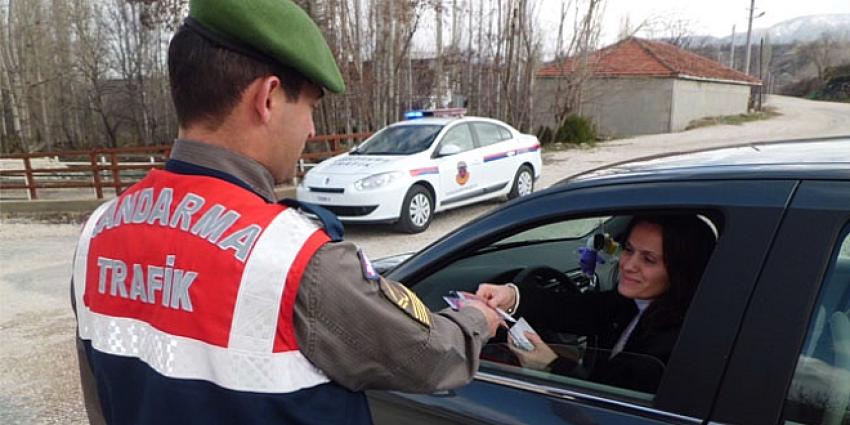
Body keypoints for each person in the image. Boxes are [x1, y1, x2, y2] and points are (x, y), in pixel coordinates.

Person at [70, 1, 502, 424]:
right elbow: (430, 359)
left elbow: (99, 396)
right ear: (269, 98)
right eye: (311, 106)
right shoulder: (295, 260)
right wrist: (478, 319)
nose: (312, 129)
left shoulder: (98, 231)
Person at [477, 214, 717, 393]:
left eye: (649, 259)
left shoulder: (672, 343)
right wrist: (512, 296)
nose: (628, 265)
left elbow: (611, 400)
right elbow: (576, 309)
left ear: (680, 271)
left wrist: (550, 365)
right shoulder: (633, 302)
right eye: (629, 250)